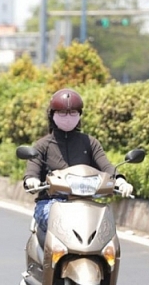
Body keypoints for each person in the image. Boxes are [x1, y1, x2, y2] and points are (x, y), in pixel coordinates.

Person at [23, 88, 134, 233]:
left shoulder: (90, 142)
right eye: (62, 113)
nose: (68, 117)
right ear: (52, 115)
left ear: (79, 115)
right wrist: (32, 180)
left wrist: (120, 180)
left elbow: (106, 165)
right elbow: (32, 168)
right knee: (57, 224)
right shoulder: (42, 145)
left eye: (73, 112)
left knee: (106, 227)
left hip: (86, 202)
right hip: (52, 202)